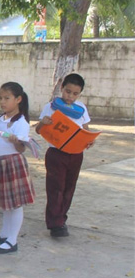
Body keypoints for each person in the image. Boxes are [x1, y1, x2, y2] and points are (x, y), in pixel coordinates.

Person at [35, 74, 92, 238]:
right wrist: (43, 123)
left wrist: (89, 140)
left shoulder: (80, 108)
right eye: (68, 92)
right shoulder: (50, 107)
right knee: (55, 188)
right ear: (61, 88)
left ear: (80, 94)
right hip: (56, 154)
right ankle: (55, 224)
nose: (70, 97)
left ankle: (61, 218)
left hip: (76, 154)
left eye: (75, 94)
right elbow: (38, 130)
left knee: (69, 188)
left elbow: (86, 129)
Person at [0, 82, 35, 254]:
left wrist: (16, 141)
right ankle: (4, 233)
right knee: (6, 203)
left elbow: (21, 148)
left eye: (7, 98)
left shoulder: (21, 122)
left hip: (12, 164)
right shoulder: (0, 119)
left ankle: (12, 240)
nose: (2, 102)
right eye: (0, 98)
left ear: (18, 99)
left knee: (16, 204)